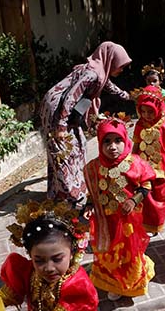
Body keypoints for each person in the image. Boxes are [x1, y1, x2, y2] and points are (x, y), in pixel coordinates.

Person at [39, 41, 132, 206]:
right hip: (57, 109)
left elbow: (109, 86)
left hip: (68, 112)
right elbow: (70, 98)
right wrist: (60, 126)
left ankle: (75, 187)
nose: (121, 69)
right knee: (63, 149)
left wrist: (128, 96)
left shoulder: (100, 72)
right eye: (120, 65)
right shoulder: (92, 74)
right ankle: (67, 195)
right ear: (111, 59)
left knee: (80, 144)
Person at [84, 117, 157, 300]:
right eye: (106, 141)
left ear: (126, 140)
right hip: (106, 219)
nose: (113, 147)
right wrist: (89, 205)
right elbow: (93, 192)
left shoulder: (135, 163)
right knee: (110, 252)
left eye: (118, 140)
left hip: (129, 220)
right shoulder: (94, 167)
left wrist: (133, 201)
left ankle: (132, 282)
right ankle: (114, 283)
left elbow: (146, 185)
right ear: (100, 143)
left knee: (129, 251)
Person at [132, 86, 165, 234]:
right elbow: (136, 146)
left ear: (158, 108)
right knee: (144, 195)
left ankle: (157, 223)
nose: (147, 115)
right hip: (142, 167)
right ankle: (144, 223)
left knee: (159, 197)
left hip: (161, 168)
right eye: (143, 111)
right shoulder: (140, 125)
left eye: (151, 111)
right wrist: (131, 162)